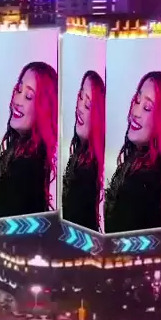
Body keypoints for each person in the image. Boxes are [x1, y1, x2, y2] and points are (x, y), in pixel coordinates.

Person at [104, 71, 161, 233]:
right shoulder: (138, 166)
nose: (136, 112)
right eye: (137, 101)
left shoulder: (142, 181)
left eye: (147, 108)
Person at [0, 61, 58, 218]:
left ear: (43, 109)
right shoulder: (20, 150)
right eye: (19, 90)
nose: (18, 101)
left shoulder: (27, 165)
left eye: (28, 97)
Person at [62, 70, 105, 232]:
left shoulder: (87, 170)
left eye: (88, 105)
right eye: (80, 97)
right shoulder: (79, 156)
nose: (80, 107)